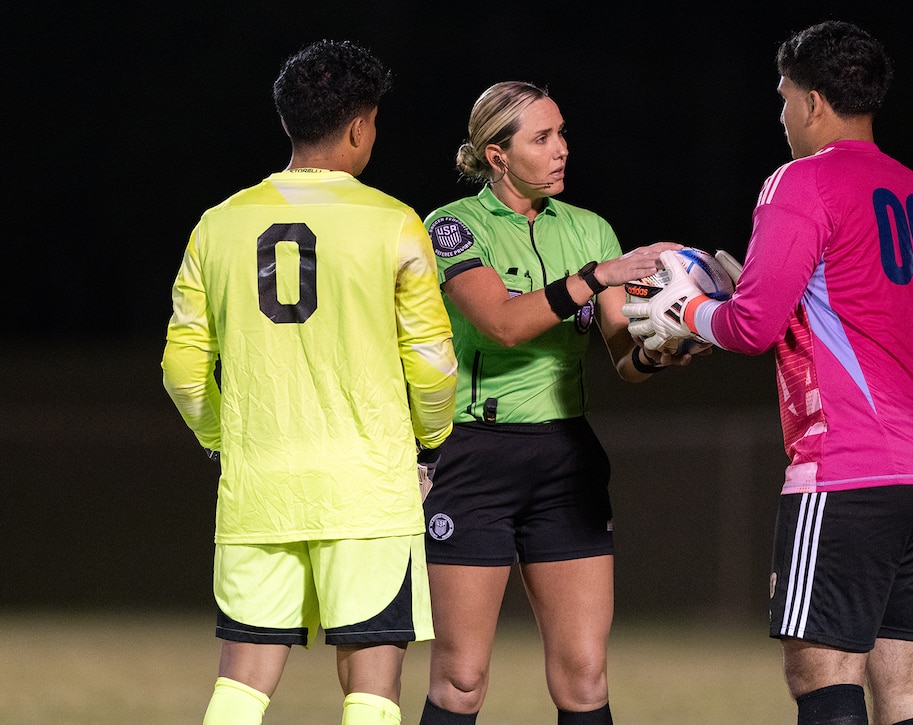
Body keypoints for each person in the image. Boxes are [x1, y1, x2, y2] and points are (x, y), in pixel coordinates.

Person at [625, 20, 913, 725]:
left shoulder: (801, 180)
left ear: (814, 102)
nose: (782, 115)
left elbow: (751, 325)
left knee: (820, 667)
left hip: (855, 462)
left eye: (784, 98)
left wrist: (688, 309)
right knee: (905, 678)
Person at [161, 40, 458, 725]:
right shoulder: (395, 223)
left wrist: (224, 437)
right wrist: (432, 439)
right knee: (372, 685)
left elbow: (182, 369)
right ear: (358, 127)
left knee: (241, 683)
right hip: (368, 489)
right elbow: (434, 366)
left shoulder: (217, 225)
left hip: (260, 485)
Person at [417, 81, 702, 725]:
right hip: (474, 459)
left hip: (565, 457)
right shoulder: (454, 226)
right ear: (496, 154)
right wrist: (600, 274)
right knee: (461, 679)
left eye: (562, 134)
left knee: (585, 675)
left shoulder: (589, 229)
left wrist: (661, 348)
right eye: (541, 138)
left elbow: (623, 360)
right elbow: (502, 323)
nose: (561, 150)